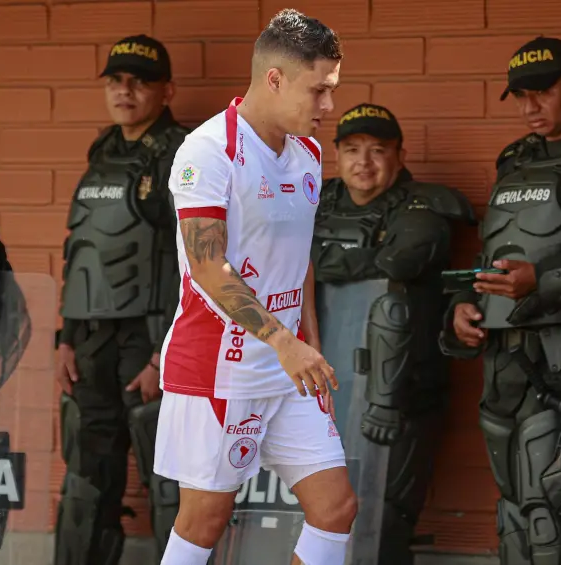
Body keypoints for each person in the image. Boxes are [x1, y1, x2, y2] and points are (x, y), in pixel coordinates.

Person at [152, 9, 358, 565]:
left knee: (336, 507)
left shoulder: (309, 154)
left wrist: (307, 343)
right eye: (318, 91)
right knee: (204, 521)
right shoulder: (207, 150)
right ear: (275, 78)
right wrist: (283, 341)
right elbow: (208, 266)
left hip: (287, 369)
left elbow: (299, 261)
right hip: (219, 367)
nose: (328, 107)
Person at [439, 36, 561, 565]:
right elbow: (497, 252)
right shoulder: (517, 159)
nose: (530, 108)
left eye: (542, 93)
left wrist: (544, 282)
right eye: (520, 97)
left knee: (555, 502)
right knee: (510, 505)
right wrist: (465, 305)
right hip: (504, 356)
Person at [311, 104, 476, 565]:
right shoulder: (313, 200)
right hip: (322, 386)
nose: (364, 163)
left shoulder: (425, 204)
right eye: (352, 150)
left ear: (400, 156)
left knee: (379, 522)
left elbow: (397, 263)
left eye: (377, 151)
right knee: (312, 517)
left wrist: (316, 260)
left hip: (397, 395)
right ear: (337, 156)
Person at [53, 34, 189, 565]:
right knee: (87, 475)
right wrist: (65, 339)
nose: (125, 91)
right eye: (115, 81)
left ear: (167, 90)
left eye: (139, 81)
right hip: (89, 339)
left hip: (148, 335)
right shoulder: (103, 150)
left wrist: (166, 353)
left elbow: (196, 258)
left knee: (168, 481)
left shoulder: (183, 153)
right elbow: (82, 248)